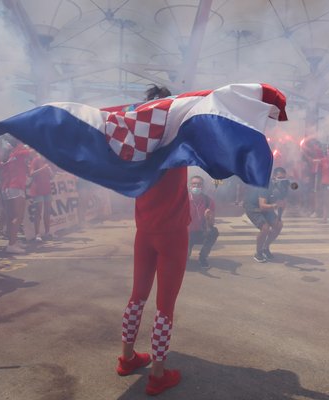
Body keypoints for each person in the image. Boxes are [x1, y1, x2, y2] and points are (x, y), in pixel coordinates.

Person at [116, 85, 186, 396]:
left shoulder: (135, 146)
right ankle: (158, 373)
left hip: (143, 232)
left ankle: (127, 357)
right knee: (164, 307)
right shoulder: (178, 142)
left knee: (136, 297)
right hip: (172, 235)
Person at [244, 167, 288, 263]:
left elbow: (283, 204)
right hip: (253, 207)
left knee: (278, 225)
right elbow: (262, 205)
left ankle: (265, 247)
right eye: (279, 178)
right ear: (274, 177)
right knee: (265, 228)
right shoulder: (266, 186)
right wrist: (276, 205)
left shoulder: (284, 187)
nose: (282, 180)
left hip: (268, 207)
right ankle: (258, 253)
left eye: (284, 178)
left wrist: (279, 218)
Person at [0, 138, 32, 254]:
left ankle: (13, 241)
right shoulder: (20, 151)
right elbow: (31, 152)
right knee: (18, 217)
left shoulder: (12, 154)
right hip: (16, 186)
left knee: (11, 217)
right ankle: (12, 244)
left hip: (7, 187)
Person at [187, 175, 219, 268]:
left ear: (203, 187)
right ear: (190, 186)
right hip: (186, 234)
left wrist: (209, 217)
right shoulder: (183, 200)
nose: (196, 186)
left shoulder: (208, 201)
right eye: (194, 184)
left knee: (213, 232)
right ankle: (186, 251)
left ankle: (203, 257)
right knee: (185, 259)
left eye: (199, 184)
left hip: (200, 232)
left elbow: (211, 224)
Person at [28, 151, 54, 241]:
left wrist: (50, 172)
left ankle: (47, 232)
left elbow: (52, 177)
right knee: (38, 212)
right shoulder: (36, 160)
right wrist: (42, 169)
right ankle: (37, 234)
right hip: (37, 189)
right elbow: (31, 174)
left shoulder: (48, 161)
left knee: (47, 211)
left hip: (47, 189)